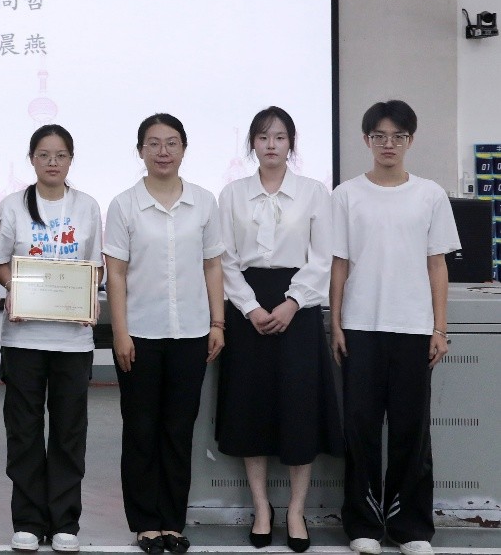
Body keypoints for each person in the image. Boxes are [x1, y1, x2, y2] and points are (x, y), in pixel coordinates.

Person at [330, 100, 459, 555]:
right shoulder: (346, 195)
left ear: (410, 140)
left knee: (411, 430)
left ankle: (410, 528)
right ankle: (363, 524)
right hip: (361, 326)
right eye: (380, 136)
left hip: (413, 328)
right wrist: (336, 323)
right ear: (366, 140)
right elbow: (339, 263)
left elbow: (437, 264)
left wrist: (439, 328)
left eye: (398, 137)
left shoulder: (430, 194)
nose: (389, 144)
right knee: (360, 428)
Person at [215, 107, 341, 552]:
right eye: (263, 137)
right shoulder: (232, 193)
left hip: (299, 308)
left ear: (291, 144)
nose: (271, 145)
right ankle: (262, 508)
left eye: (280, 137)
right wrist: (250, 307)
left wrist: (292, 302)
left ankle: (296, 511)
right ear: (252, 143)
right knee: (252, 408)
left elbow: (322, 257)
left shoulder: (313, 193)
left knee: (298, 408)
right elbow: (224, 259)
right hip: (246, 307)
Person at [104, 113, 225, 555]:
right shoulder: (124, 205)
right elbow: (116, 274)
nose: (163, 152)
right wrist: (120, 333)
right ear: (140, 151)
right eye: (153, 144)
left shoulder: (203, 202)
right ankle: (145, 523)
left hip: (191, 333)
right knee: (140, 430)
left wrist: (217, 323)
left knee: (178, 431)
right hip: (140, 334)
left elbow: (213, 265)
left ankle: (172, 522)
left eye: (171, 143)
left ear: (183, 149)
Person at [0, 124, 102, 554]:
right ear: (32, 159)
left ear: (71, 159)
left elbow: (94, 267)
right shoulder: (13, 205)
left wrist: (84, 295)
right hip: (24, 338)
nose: (52, 162)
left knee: (69, 432)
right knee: (24, 431)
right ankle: (28, 521)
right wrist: (17, 289)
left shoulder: (87, 206)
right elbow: (0, 263)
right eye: (43, 155)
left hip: (72, 341)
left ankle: (65, 521)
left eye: (60, 155)